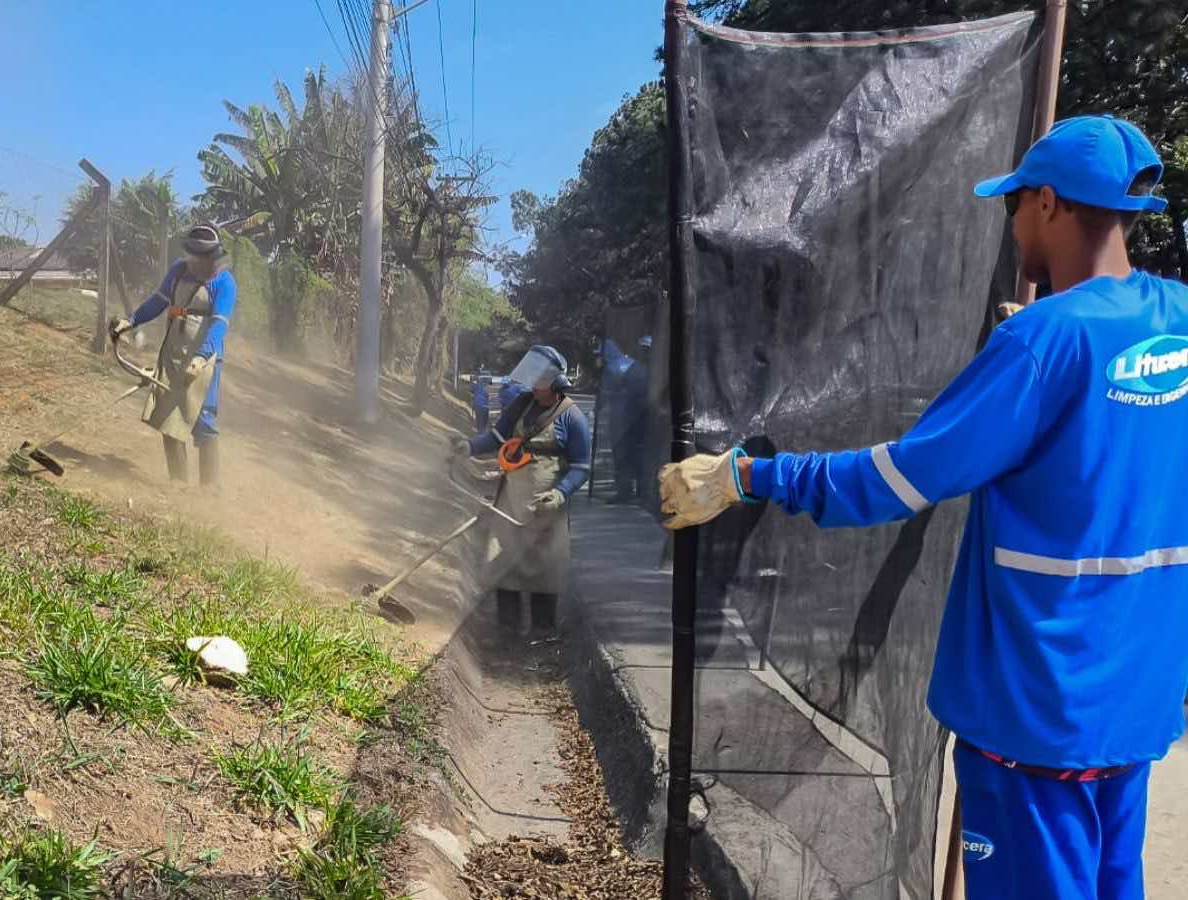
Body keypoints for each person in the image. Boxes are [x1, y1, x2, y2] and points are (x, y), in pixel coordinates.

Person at [659, 116, 1188, 899]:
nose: (1011, 224)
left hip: (1035, 712)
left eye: (1013, 204)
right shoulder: (1175, 316)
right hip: (1133, 707)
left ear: (1048, 202)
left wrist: (749, 476)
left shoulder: (1041, 345)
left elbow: (897, 480)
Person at [450, 345, 592, 633]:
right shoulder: (522, 404)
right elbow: (496, 437)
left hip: (546, 508)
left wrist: (560, 493)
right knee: (503, 566)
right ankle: (507, 631)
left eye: (541, 382)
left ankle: (543, 633)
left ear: (557, 383)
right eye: (533, 380)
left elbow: (581, 467)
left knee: (544, 571)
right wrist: (469, 447)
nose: (534, 387)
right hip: (510, 501)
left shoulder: (573, 418)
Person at [111, 225, 236, 488]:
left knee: (203, 418)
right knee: (168, 415)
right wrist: (131, 321)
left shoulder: (224, 282)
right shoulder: (178, 271)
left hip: (205, 360)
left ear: (213, 257)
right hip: (174, 352)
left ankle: (210, 489)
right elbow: (158, 302)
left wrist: (201, 358)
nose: (196, 264)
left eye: (203, 259)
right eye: (193, 257)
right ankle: (178, 483)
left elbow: (219, 324)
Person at [605, 335, 653, 504]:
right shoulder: (631, 368)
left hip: (641, 421)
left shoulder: (648, 370)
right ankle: (625, 491)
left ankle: (639, 492)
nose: (644, 352)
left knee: (638, 456)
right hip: (627, 420)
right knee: (624, 456)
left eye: (647, 349)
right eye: (643, 349)